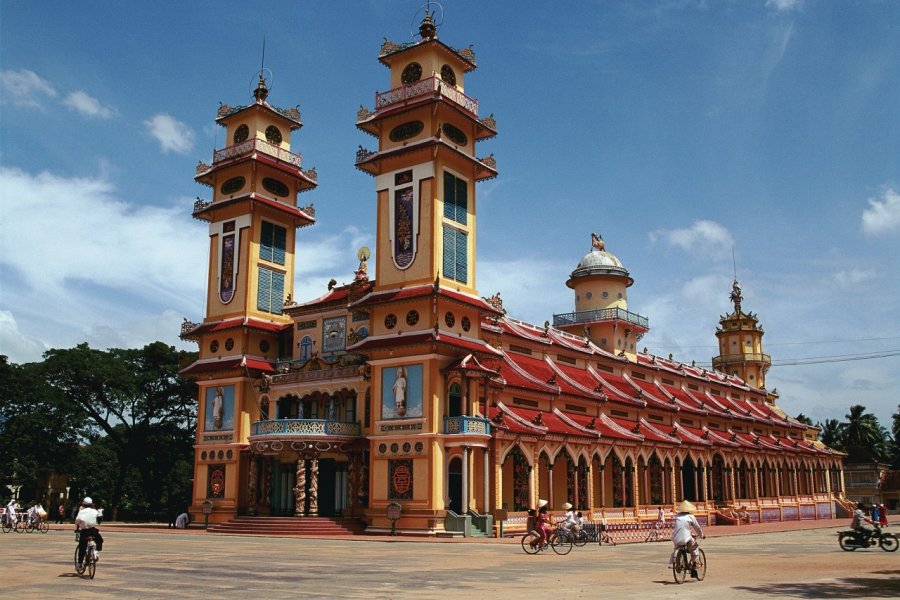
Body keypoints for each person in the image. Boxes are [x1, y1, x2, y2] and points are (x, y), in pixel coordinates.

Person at [671, 500, 705, 579]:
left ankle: (677, 564)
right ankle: (694, 563)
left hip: (676, 537)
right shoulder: (691, 517)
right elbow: (697, 527)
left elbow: (680, 527)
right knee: (695, 548)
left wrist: (689, 532)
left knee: (677, 548)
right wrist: (701, 535)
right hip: (686, 537)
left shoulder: (677, 516)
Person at [75, 497, 104, 565]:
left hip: (84, 531)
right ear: (91, 504)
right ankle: (96, 552)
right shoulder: (94, 511)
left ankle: (80, 564)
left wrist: (77, 528)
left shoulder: (81, 512)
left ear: (83, 504)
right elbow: (100, 516)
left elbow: (77, 522)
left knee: (82, 547)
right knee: (100, 540)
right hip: (93, 531)